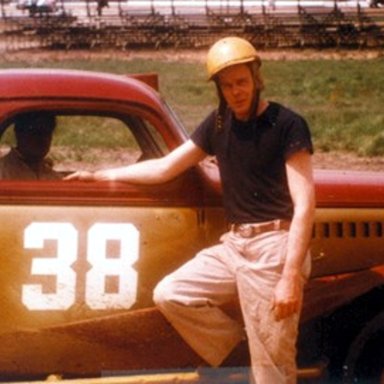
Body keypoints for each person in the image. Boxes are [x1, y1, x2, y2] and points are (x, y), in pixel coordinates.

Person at [66, 36, 315, 383]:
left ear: (257, 78)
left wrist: (290, 277)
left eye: (242, 82)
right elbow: (165, 167)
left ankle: (264, 351)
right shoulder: (218, 123)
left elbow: (305, 205)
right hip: (234, 246)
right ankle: (242, 349)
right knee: (172, 293)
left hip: (274, 247)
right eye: (227, 86)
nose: (236, 92)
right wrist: (101, 175)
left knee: (272, 373)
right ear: (219, 89)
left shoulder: (287, 124)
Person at [0, 112, 61, 180]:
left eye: (47, 133)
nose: (42, 139)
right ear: (20, 134)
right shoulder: (3, 170)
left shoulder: (53, 176)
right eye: (36, 132)